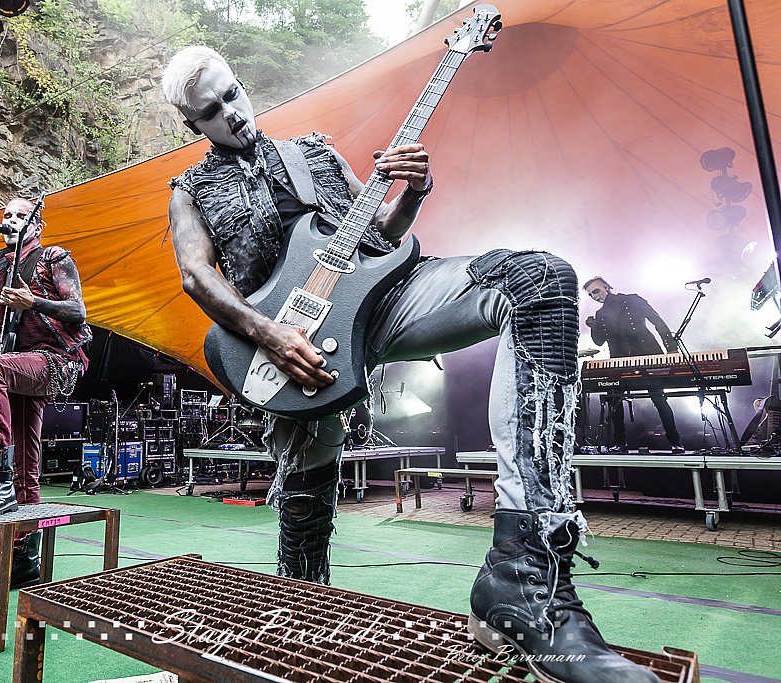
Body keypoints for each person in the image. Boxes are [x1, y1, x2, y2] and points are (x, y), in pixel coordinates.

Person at [161, 46, 660, 683]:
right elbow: (196, 274)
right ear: (193, 124)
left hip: (385, 300)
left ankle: (526, 566)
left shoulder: (313, 152)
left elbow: (377, 235)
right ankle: (302, 617)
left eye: (233, 94)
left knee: (539, 280)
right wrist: (270, 332)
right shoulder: (191, 190)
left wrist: (414, 190)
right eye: (212, 110)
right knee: (306, 496)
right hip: (290, 345)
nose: (232, 112)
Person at [0, 197, 90, 595]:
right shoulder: (1, 270)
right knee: (27, 465)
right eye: (6, 216)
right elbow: (5, 330)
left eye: (19, 215)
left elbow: (78, 310)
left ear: (37, 225)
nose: (11, 221)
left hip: (58, 359)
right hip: (21, 362)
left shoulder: (52, 257)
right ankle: (22, 560)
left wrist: (35, 301)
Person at [584, 276, 684, 454]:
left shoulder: (632, 299)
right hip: (620, 360)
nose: (595, 296)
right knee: (614, 399)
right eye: (591, 295)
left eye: (596, 291)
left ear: (606, 286)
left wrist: (671, 348)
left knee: (659, 398)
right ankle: (620, 443)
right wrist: (593, 326)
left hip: (647, 353)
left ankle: (675, 442)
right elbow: (599, 341)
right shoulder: (601, 314)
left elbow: (657, 321)